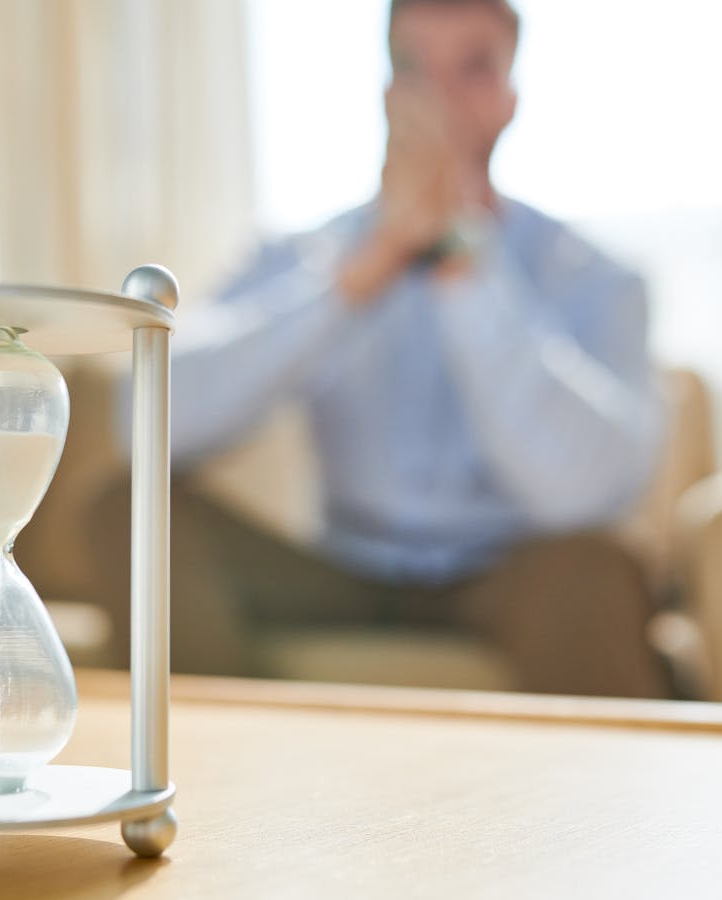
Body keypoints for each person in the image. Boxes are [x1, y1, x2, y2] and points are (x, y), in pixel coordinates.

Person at [91, 0, 668, 697]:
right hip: (343, 569)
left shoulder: (594, 279)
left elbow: (586, 496)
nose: (442, 98)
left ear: (512, 96)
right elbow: (145, 423)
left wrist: (464, 261)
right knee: (130, 512)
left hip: (511, 573)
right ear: (385, 90)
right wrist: (358, 278)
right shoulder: (308, 256)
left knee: (598, 569)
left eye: (474, 69)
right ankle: (214, 788)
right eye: (414, 67)